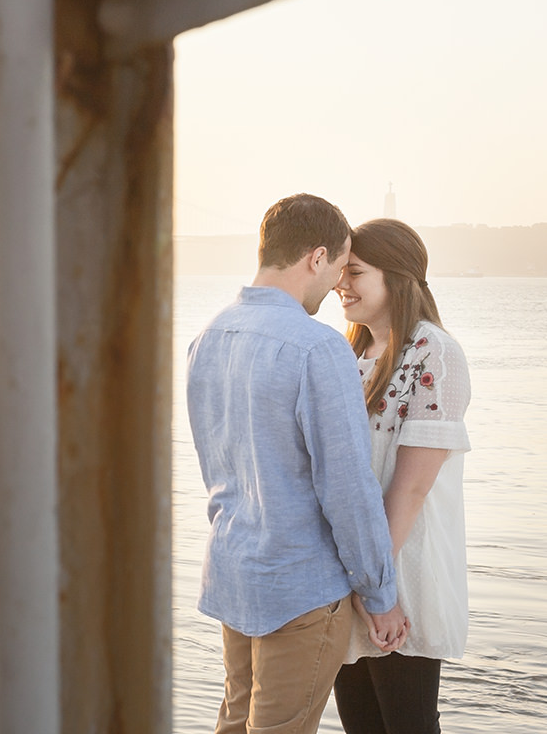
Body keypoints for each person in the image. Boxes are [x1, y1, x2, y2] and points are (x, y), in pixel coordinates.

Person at [187, 193, 407, 734]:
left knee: (235, 723)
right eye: (338, 266)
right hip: (299, 588)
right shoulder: (317, 348)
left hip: (234, 572)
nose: (338, 284)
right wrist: (380, 594)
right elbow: (348, 488)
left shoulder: (206, 337)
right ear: (316, 256)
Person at [333, 219, 471, 734]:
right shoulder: (347, 354)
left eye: (355, 272)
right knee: (361, 725)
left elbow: (410, 488)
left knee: (409, 724)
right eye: (341, 271)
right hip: (354, 572)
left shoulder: (433, 353)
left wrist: (378, 587)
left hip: (401, 570)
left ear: (396, 276)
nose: (340, 283)